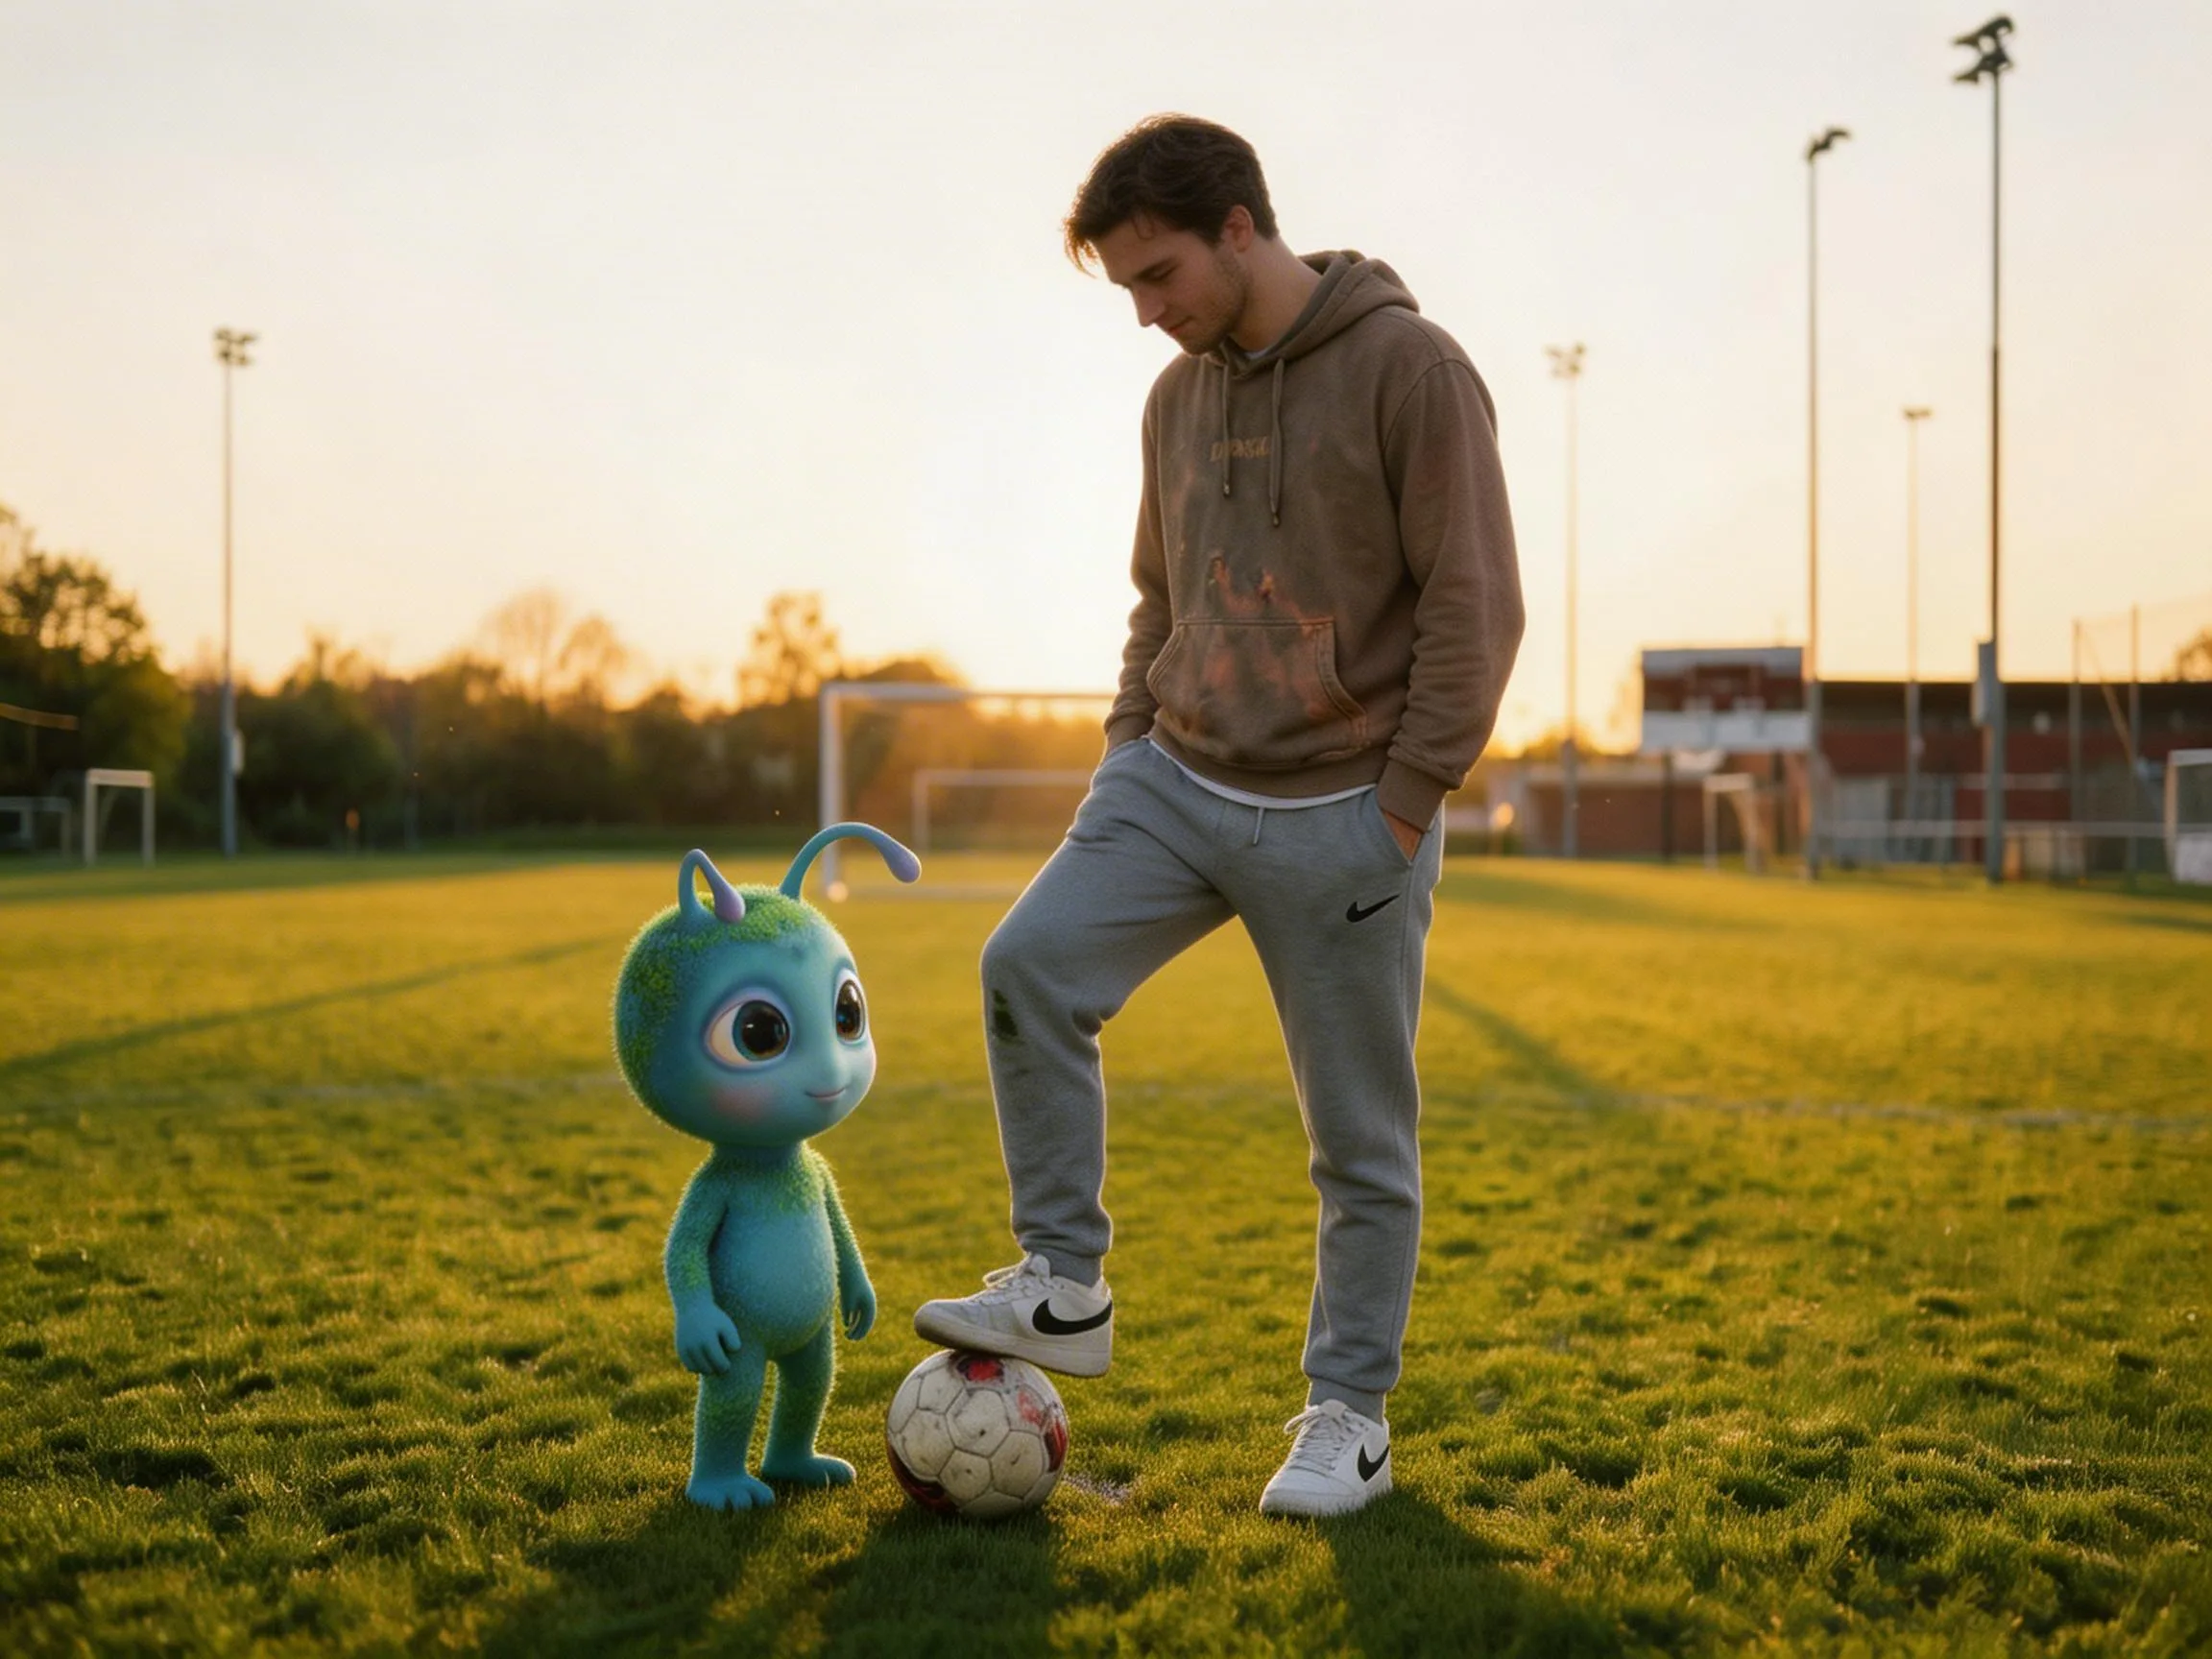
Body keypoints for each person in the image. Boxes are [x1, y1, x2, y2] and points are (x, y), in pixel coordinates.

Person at [915, 113, 1524, 1517]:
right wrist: (1129, 740)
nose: (1147, 313)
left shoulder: (1412, 370)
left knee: (1357, 1143)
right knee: (1027, 966)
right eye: (1127, 286)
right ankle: (1064, 1285)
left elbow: (1474, 604)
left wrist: (1405, 806)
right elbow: (1160, 593)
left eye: (1159, 275)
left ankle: (1347, 1420)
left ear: (1242, 227)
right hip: (1172, 781)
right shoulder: (1175, 398)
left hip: (1345, 815)